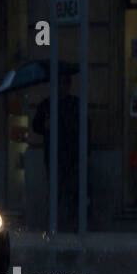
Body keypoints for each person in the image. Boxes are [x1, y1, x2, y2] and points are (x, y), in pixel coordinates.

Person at [32, 71, 83, 231]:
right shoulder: (47, 104)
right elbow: (36, 125)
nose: (62, 87)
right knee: (55, 190)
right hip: (54, 154)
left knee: (73, 190)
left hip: (72, 154)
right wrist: (45, 126)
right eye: (59, 84)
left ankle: (71, 223)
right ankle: (54, 223)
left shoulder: (75, 104)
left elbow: (83, 128)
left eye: (65, 84)